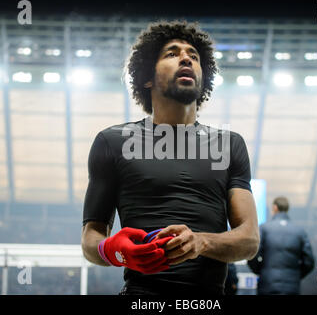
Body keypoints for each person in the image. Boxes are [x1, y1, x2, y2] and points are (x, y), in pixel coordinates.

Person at [81, 21, 260, 295]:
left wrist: (201, 242)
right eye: (171, 53)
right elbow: (91, 240)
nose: (186, 57)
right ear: (147, 77)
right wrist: (114, 249)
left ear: (204, 79)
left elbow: (249, 240)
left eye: (194, 56)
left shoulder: (230, 144)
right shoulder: (112, 142)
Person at [247, 196, 315, 295]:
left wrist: (261, 271)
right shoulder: (300, 231)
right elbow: (309, 261)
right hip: (291, 287)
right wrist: (295, 275)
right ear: (287, 209)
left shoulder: (264, 228)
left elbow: (252, 254)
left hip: (267, 285)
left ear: (275, 207)